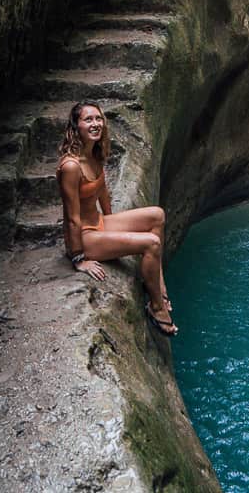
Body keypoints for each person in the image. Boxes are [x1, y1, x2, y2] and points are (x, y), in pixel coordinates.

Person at [56, 100, 178, 337]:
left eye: (98, 118)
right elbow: (71, 217)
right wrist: (78, 259)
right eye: (88, 120)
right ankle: (156, 307)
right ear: (76, 126)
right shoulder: (71, 166)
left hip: (99, 224)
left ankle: (158, 283)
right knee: (151, 243)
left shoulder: (95, 152)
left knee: (157, 215)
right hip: (85, 236)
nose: (95, 124)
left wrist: (113, 225)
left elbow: (101, 190)